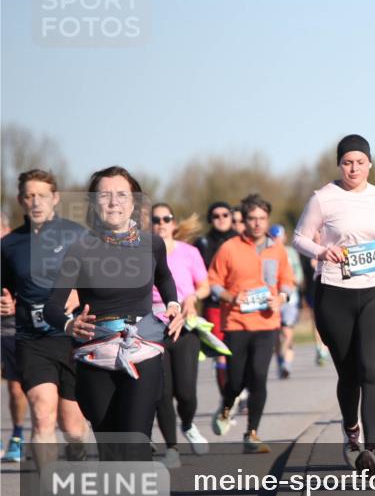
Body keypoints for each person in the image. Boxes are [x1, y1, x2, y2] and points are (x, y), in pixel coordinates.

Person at [44, 166, 184, 462]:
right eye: (104, 195)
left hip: (142, 350)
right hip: (95, 355)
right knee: (111, 452)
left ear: (134, 203)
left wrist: (173, 304)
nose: (113, 202)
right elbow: (52, 307)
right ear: (94, 204)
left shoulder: (152, 244)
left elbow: (164, 277)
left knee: (134, 444)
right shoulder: (80, 249)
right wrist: (69, 325)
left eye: (121, 195)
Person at [293, 135, 375, 474]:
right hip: (335, 293)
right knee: (348, 373)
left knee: (372, 370)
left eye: (360, 162)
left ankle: (371, 451)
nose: (354, 168)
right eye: (347, 162)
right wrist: (321, 251)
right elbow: (299, 238)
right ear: (339, 165)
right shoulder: (323, 198)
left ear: (370, 164)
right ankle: (351, 430)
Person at [1, 171, 90, 471]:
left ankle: (78, 458)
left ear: (55, 198)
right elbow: (5, 288)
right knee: (42, 415)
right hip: (32, 339)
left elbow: (101, 280)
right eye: (29, 196)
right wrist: (5, 302)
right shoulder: (9, 245)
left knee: (74, 428)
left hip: (73, 338)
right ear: (21, 200)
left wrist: (80, 291)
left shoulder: (77, 235)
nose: (36, 201)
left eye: (42, 195)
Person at [209, 194, 295, 453]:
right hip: (236, 323)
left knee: (258, 377)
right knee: (236, 380)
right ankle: (227, 405)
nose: (257, 223)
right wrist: (231, 296)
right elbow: (214, 283)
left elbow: (287, 282)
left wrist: (280, 298)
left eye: (262, 218)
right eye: (252, 219)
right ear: (244, 221)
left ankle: (252, 433)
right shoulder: (229, 248)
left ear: (267, 219)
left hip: (267, 324)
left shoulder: (277, 249)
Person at [150, 203, 211, 468]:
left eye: (166, 218)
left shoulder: (189, 252)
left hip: (185, 326)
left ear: (174, 224)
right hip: (153, 328)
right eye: (156, 219)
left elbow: (205, 285)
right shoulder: (140, 254)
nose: (161, 223)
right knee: (162, 393)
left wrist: (192, 297)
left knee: (186, 392)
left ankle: (187, 424)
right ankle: (171, 448)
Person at [195, 201, 237, 395]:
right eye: (216, 216)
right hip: (214, 305)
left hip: (239, 304)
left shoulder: (241, 240)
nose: (221, 219)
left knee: (239, 352)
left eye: (225, 215)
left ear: (231, 217)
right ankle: (227, 400)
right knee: (221, 353)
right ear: (210, 219)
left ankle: (241, 392)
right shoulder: (202, 243)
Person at [1, 211, 28, 463]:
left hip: (13, 327)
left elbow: (33, 288)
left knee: (15, 387)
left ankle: (18, 435)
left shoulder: (14, 252)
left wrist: (16, 304)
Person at [269, 225, 304, 380]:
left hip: (290, 298)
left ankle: (286, 364)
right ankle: (280, 360)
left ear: (284, 237)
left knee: (287, 331)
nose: (276, 240)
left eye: (279, 237)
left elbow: (299, 274)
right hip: (273, 299)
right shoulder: (267, 252)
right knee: (276, 335)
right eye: (274, 237)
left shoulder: (291, 253)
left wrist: (294, 280)